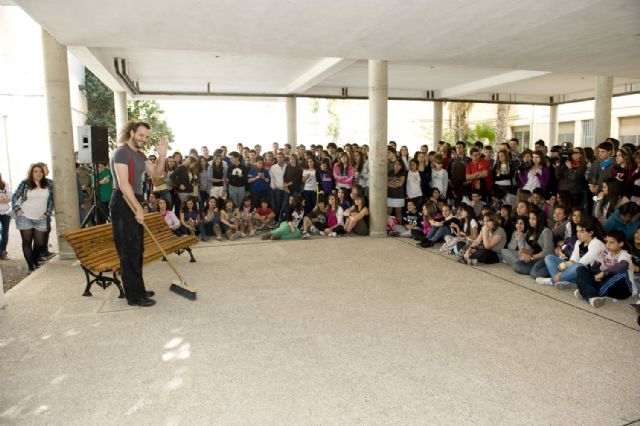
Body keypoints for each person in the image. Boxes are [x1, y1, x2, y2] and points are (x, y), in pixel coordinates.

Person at [110, 121, 167, 307]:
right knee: (128, 250)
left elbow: (156, 174)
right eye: (141, 135)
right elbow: (123, 183)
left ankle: (138, 288)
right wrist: (138, 208)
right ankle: (134, 296)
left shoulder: (140, 155)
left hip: (133, 200)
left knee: (137, 248)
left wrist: (162, 155)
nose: (144, 139)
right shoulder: (121, 152)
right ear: (132, 132)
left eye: (147, 136)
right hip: (123, 201)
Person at [538, 215, 606, 288]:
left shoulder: (597, 244)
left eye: (582, 232)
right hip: (574, 272)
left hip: (589, 276)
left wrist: (561, 272)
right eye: (577, 231)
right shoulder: (579, 242)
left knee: (578, 266)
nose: (579, 234)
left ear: (591, 233)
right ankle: (562, 280)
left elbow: (582, 263)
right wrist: (563, 266)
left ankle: (553, 280)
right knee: (549, 258)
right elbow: (573, 261)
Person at [11, 163, 54, 273]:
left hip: (41, 218)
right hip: (24, 217)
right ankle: (31, 267)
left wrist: (47, 213)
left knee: (39, 243)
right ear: (31, 173)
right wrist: (17, 209)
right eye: (35, 171)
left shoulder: (49, 183)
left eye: (40, 171)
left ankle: (33, 261)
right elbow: (15, 196)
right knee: (27, 242)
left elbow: (51, 200)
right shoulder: (25, 183)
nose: (38, 173)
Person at [575, 230, 634, 307]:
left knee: (621, 273)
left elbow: (622, 266)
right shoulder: (605, 253)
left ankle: (588, 292)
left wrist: (603, 273)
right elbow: (595, 267)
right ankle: (590, 294)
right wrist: (596, 274)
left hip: (623, 289)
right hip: (607, 285)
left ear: (621, 244)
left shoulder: (625, 255)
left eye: (611, 242)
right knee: (580, 269)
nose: (608, 245)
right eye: (607, 241)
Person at [0, 172, 12, 260]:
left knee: (5, 233)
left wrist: (5, 199)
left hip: (5, 212)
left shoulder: (5, 185)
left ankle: (3, 251)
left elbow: (10, 196)